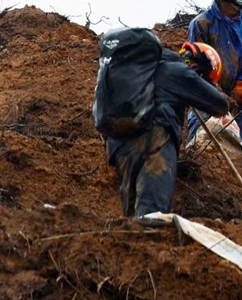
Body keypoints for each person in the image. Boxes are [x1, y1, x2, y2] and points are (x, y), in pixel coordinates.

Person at [98, 29, 230, 219]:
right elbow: (219, 105)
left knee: (132, 212)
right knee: (153, 214)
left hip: (119, 146)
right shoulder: (178, 72)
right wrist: (204, 88)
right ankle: (149, 243)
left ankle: (136, 244)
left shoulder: (139, 72)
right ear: (197, 67)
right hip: (154, 142)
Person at [187, 0, 242, 147]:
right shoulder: (202, 24)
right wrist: (217, 93)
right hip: (206, 99)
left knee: (236, 149)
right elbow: (197, 65)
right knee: (203, 147)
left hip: (237, 99)